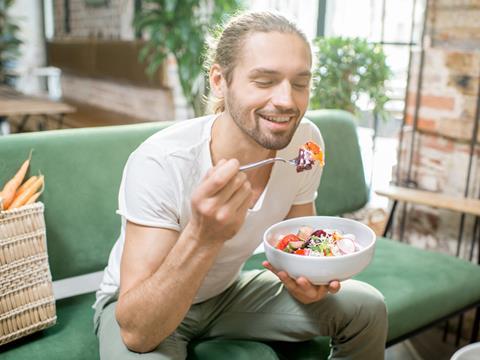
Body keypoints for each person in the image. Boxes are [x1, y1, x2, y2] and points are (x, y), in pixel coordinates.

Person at [93, 11, 388, 360]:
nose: (287, 101)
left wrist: (310, 280)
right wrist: (203, 235)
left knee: (368, 307)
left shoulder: (305, 143)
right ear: (219, 80)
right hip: (144, 305)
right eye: (264, 81)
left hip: (226, 293)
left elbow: (300, 240)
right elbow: (138, 332)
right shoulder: (162, 161)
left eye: (300, 83)